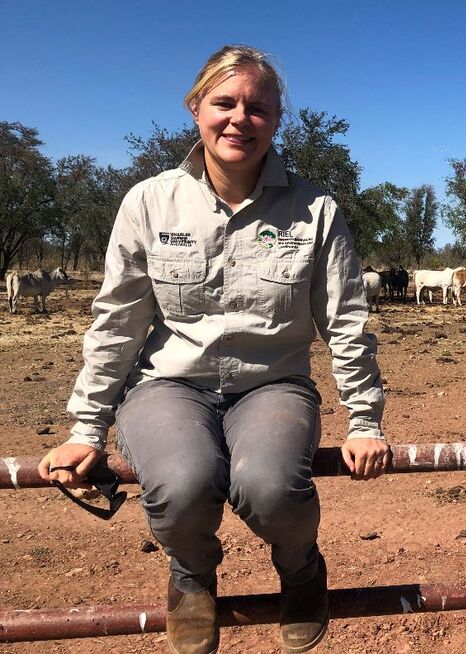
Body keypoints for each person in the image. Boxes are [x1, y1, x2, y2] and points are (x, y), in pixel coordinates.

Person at [37, 44, 389, 654]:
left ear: (277, 119)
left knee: (273, 487)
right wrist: (86, 428)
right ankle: (192, 576)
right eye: (223, 102)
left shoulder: (316, 211)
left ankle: (301, 568)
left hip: (272, 383)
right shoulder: (150, 202)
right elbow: (118, 319)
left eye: (257, 107)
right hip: (169, 383)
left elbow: (345, 321)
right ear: (195, 109)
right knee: (182, 482)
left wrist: (365, 421)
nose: (239, 119)